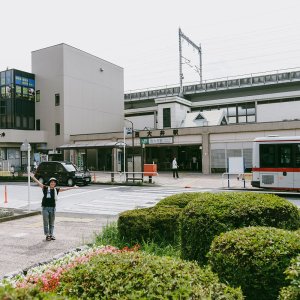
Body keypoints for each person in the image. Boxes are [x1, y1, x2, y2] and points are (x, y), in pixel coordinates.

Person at [30, 173, 79, 241]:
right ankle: (47, 235)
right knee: (46, 222)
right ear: (49, 183)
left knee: (52, 223)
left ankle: (51, 234)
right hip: (45, 208)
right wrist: (33, 177)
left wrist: (73, 187)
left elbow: (65, 189)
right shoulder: (45, 188)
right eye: (51, 182)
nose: (53, 183)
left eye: (54, 182)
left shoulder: (56, 190)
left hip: (53, 208)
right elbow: (39, 183)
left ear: (55, 183)